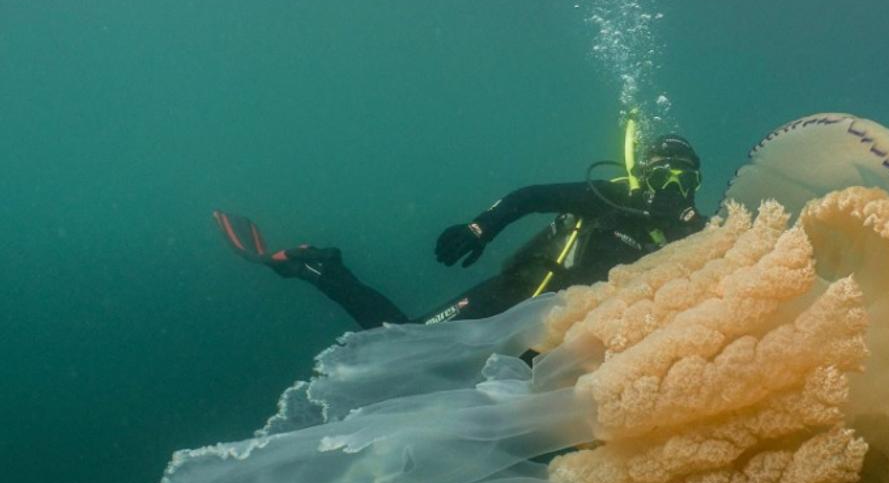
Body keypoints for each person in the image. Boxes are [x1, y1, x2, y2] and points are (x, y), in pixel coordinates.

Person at [214, 134, 706, 330]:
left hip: (567, 336)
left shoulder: (698, 234)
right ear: (645, 173)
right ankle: (323, 268)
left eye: (686, 180)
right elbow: (530, 196)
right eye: (664, 174)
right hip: (517, 295)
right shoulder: (614, 197)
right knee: (406, 344)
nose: (673, 188)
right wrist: (480, 228)